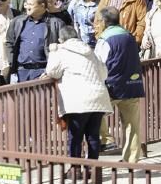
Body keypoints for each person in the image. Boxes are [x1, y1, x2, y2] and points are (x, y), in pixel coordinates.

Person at [45, 27, 112, 160]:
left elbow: (52, 72)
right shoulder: (91, 51)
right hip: (98, 97)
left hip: (78, 100)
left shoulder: (61, 52)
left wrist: (53, 51)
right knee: (93, 136)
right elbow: (104, 73)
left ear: (61, 40)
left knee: (75, 137)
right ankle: (92, 169)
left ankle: (75, 170)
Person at [95, 7, 145, 162]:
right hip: (133, 84)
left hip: (112, 86)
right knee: (132, 125)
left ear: (104, 21)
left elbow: (98, 63)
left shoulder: (105, 39)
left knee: (94, 113)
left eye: (98, 21)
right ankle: (131, 159)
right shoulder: (129, 35)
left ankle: (106, 140)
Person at [3, 0, 65, 82]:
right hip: (21, 72)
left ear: (42, 5)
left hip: (43, 72)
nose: (27, 7)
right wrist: (12, 62)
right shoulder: (18, 22)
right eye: (26, 4)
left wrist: (50, 71)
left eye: (31, 4)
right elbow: (9, 43)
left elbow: (63, 48)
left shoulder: (56, 23)